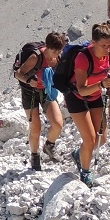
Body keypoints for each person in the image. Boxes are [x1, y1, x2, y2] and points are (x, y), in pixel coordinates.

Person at [66, 23, 110, 187]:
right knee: (90, 139)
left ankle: (79, 154)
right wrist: (101, 85)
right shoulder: (83, 58)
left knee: (102, 138)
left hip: (95, 96)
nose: (108, 49)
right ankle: (86, 173)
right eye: (104, 46)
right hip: (76, 98)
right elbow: (81, 90)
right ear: (93, 43)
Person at [13, 32, 65, 171]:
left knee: (58, 123)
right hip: (30, 93)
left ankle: (49, 146)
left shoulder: (58, 58)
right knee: (36, 127)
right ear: (47, 47)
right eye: (54, 51)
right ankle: (35, 156)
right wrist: (29, 81)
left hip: (46, 91)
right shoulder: (35, 57)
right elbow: (18, 73)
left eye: (59, 51)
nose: (56, 54)